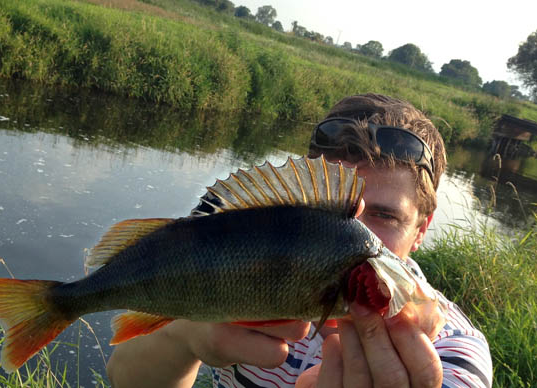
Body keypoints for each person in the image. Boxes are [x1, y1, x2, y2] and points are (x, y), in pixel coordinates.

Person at [106, 93, 492, 388]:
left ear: (422, 229)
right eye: (335, 216)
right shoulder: (246, 268)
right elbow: (124, 377)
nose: (358, 236)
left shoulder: (454, 357)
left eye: (384, 215)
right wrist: (187, 334)